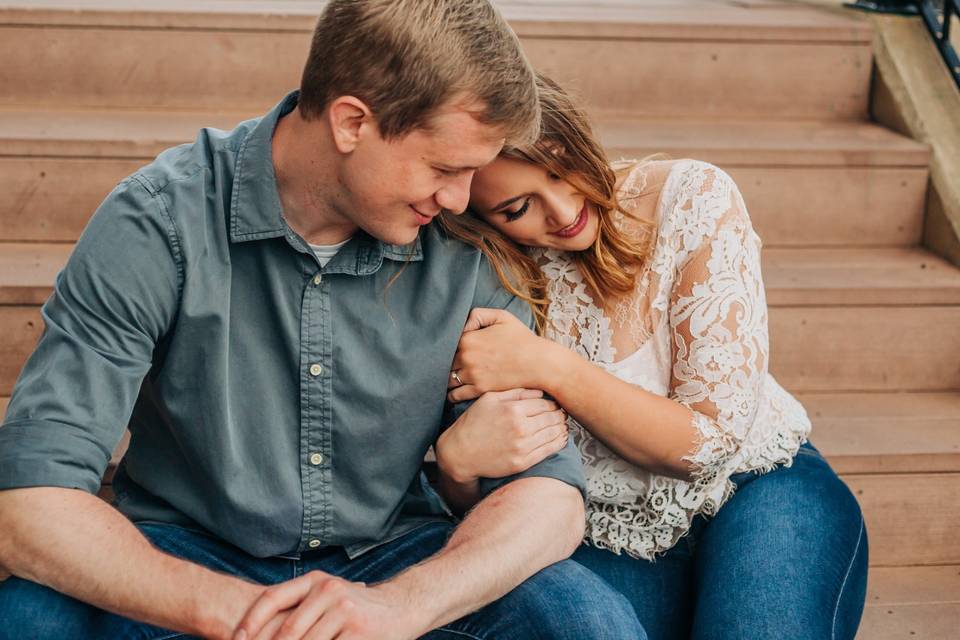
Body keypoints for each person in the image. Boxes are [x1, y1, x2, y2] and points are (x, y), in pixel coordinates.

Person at [0, 4, 645, 639]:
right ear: (351, 122)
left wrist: (403, 607)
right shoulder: (158, 223)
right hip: (187, 556)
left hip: (397, 555)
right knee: (26, 618)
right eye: (445, 168)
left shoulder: (466, 244)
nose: (460, 197)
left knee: (586, 621)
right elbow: (27, 500)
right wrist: (242, 617)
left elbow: (549, 501)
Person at [436, 74, 869, 640]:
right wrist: (455, 470)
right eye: (519, 208)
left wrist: (549, 365)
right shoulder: (490, 273)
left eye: (560, 165)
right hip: (604, 532)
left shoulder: (691, 197)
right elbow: (487, 479)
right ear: (483, 219)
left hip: (757, 487)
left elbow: (708, 444)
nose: (564, 209)